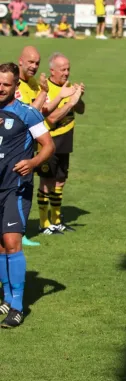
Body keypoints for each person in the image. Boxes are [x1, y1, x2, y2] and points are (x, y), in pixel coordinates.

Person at [0, 62, 55, 328]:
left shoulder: (28, 114)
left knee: (12, 242)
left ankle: (18, 307)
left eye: (6, 85)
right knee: (0, 246)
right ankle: (8, 298)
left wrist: (32, 164)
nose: (0, 88)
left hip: (15, 187)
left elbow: (48, 146)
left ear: (15, 87)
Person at [16, 47, 76, 244]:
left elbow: (41, 110)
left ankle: (20, 231)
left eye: (37, 63)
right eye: (30, 62)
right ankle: (17, 232)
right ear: (21, 61)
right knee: (14, 188)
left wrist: (48, 93)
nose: (34, 66)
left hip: (28, 144)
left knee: (24, 188)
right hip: (13, 144)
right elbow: (29, 114)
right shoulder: (14, 85)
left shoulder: (33, 84)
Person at [36, 53, 85, 235]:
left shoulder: (69, 87)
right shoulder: (46, 89)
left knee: (60, 182)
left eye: (68, 69)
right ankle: (43, 223)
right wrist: (70, 103)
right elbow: (52, 118)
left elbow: (81, 109)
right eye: (63, 69)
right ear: (52, 71)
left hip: (65, 141)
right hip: (49, 142)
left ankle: (56, 221)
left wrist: (78, 98)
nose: (66, 72)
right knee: (47, 182)